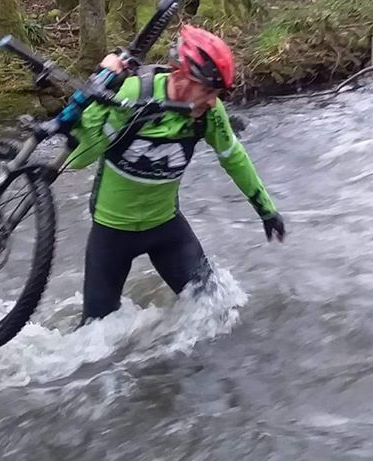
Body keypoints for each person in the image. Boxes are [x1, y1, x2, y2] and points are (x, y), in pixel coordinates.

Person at [66, 25, 285, 324]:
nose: (213, 101)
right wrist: (100, 102)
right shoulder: (135, 93)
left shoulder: (208, 114)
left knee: (219, 313)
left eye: (217, 93)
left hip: (166, 228)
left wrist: (266, 210)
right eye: (207, 91)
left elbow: (234, 158)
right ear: (180, 75)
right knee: (93, 336)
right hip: (111, 232)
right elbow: (79, 158)